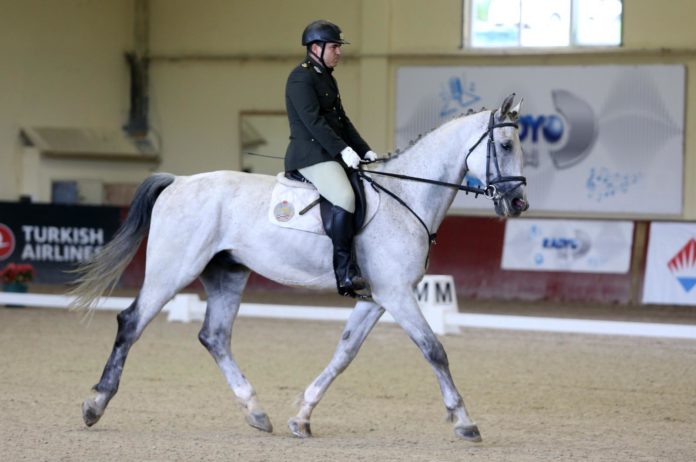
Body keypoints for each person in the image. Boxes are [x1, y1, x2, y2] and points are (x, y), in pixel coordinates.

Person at [284, 19, 379, 296]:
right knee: (345, 197)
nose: (339, 52)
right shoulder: (300, 77)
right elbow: (314, 122)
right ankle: (344, 272)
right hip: (310, 156)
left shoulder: (327, 78)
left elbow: (342, 121)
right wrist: (342, 150)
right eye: (334, 46)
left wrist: (363, 149)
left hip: (331, 153)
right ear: (316, 47)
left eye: (339, 47)